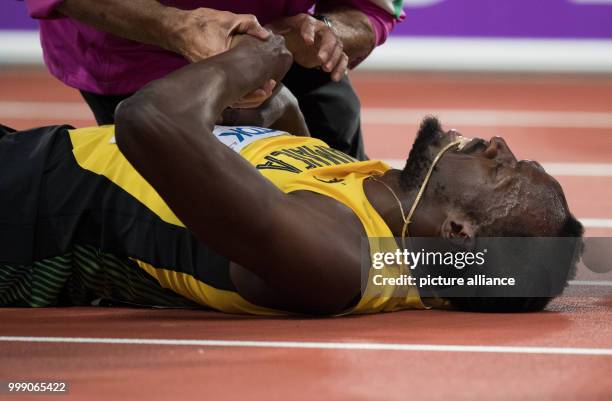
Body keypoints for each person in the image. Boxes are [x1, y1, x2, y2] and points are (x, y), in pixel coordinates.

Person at [0, 34, 583, 315]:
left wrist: (252, 58)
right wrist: (276, 104)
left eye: (503, 172)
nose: (500, 146)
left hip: (21, 221)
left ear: (458, 233)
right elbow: (280, 162)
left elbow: (150, 121)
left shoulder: (335, 256)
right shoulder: (375, 205)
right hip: (29, 161)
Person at [25, 0, 403, 159]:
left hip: (286, 44)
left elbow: (368, 10)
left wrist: (326, 30)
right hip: (135, 50)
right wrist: (177, 26)